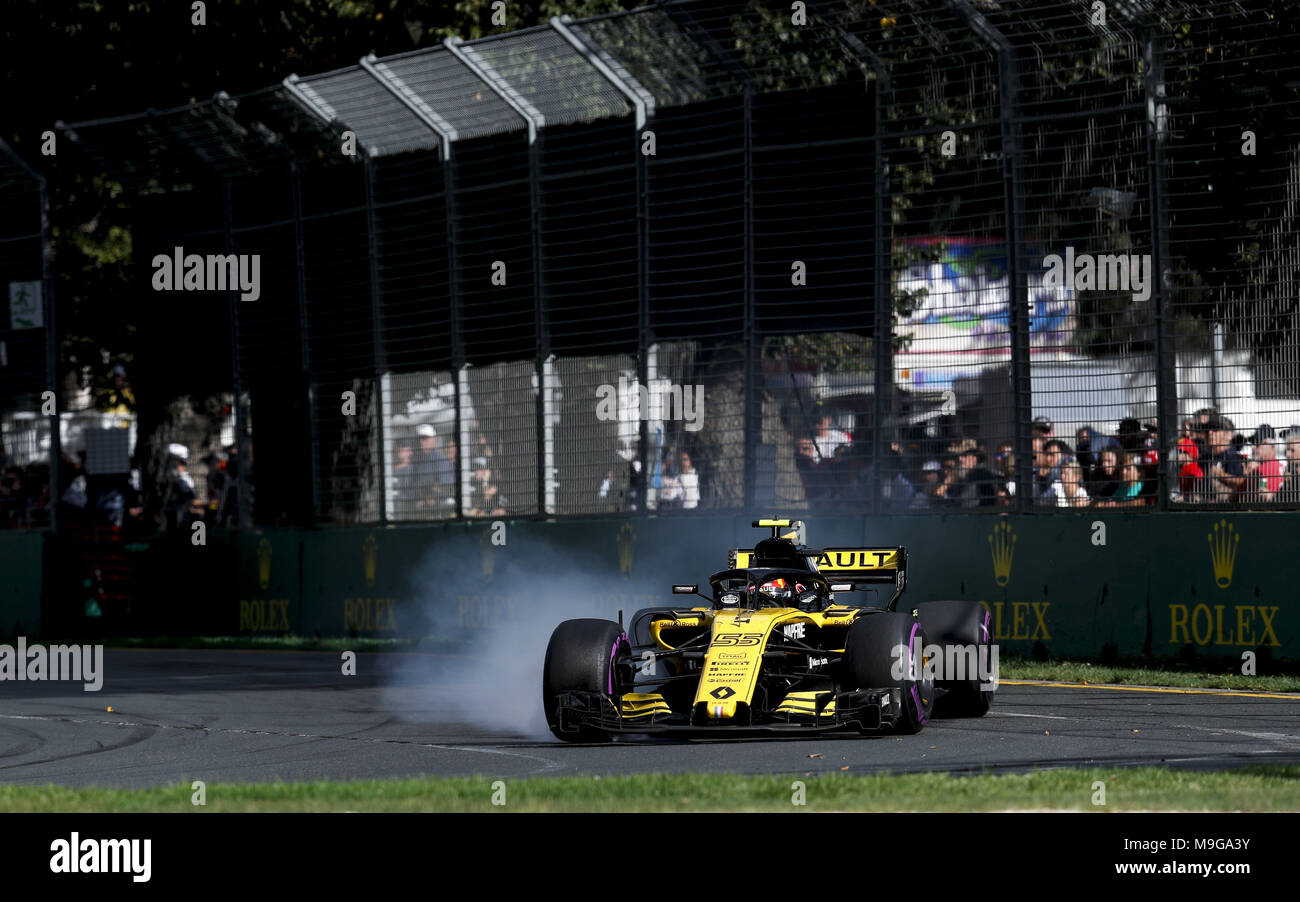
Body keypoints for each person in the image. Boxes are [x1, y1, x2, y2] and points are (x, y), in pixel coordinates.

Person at [413, 424, 454, 513]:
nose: (421, 441)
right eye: (419, 439)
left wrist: (431, 499)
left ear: (433, 439)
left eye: (425, 438)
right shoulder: (416, 460)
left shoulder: (439, 459)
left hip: (437, 509)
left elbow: (446, 487)